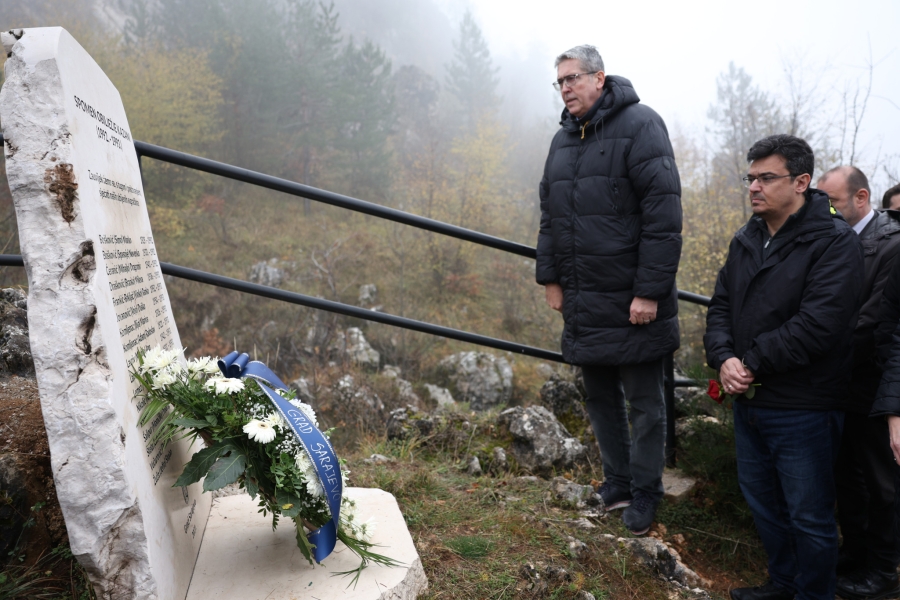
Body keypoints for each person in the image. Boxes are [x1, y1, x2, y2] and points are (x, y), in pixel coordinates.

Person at [704, 134, 864, 600]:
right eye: (750, 178)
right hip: (751, 399)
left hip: (805, 405)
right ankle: (785, 584)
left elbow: (819, 325)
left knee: (810, 515)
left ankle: (815, 594)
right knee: (764, 505)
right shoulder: (746, 237)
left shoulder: (834, 242)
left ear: (801, 182)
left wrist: (748, 362)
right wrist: (724, 357)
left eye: (765, 178)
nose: (753, 187)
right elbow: (720, 307)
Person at [535, 44, 682, 536]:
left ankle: (646, 491)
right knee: (599, 398)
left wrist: (649, 291)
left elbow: (664, 216)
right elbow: (550, 215)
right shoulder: (563, 139)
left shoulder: (642, 125)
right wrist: (551, 277)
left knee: (644, 402)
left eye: (573, 78)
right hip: (583, 298)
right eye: (559, 82)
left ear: (600, 79)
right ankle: (617, 481)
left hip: (632, 299)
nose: (566, 88)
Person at [816, 166, 900, 600]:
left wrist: (818, 345)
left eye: (832, 201)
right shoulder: (832, 237)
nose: (824, 208)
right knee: (845, 475)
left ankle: (884, 570)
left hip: (875, 379)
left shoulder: (891, 245)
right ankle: (856, 553)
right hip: (840, 380)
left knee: (880, 481)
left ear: (862, 198)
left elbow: (874, 319)